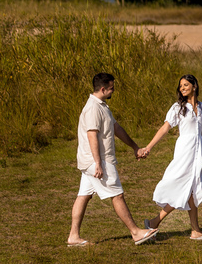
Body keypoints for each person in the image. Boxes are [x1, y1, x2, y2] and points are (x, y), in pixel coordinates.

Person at [66, 72, 158, 247]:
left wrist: (135, 147)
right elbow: (92, 135)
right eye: (111, 89)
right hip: (98, 161)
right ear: (103, 89)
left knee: (83, 196)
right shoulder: (93, 108)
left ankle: (73, 236)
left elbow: (116, 128)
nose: (113, 91)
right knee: (117, 195)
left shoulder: (102, 106)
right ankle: (136, 232)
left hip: (94, 161)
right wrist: (99, 163)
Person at [140, 74, 202, 240]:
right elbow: (165, 128)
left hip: (198, 152)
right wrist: (149, 147)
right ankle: (154, 222)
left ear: (194, 86)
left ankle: (195, 230)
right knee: (182, 186)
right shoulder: (177, 107)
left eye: (186, 85)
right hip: (184, 151)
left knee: (193, 189)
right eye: (181, 86)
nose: (183, 88)